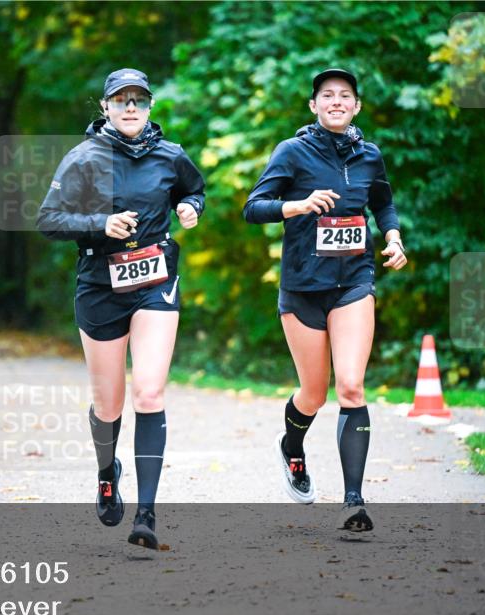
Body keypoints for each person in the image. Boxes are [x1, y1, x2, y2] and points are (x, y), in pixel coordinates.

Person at [36, 68, 205, 550]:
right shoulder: (83, 158)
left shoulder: (170, 155)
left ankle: (146, 514)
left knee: (148, 393)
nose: (131, 107)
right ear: (105, 107)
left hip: (156, 281)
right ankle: (107, 471)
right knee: (109, 403)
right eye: (121, 100)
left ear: (150, 106)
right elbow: (48, 220)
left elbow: (194, 190)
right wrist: (100, 224)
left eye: (139, 100)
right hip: (100, 286)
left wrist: (191, 208)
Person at [243, 68, 408, 532]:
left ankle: (353, 500)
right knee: (314, 393)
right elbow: (253, 208)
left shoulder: (369, 155)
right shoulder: (292, 151)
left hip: (354, 280)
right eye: (327, 95)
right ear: (314, 105)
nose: (337, 101)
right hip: (303, 287)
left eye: (345, 95)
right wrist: (296, 205)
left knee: (351, 386)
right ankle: (292, 448)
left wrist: (393, 237)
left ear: (356, 106)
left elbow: (382, 203)